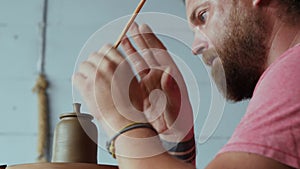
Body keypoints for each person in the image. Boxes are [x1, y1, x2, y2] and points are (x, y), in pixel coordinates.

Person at [73, 0, 300, 168]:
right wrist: (178, 144)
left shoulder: (293, 70)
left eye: (202, 16)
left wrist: (120, 121)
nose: (195, 47)